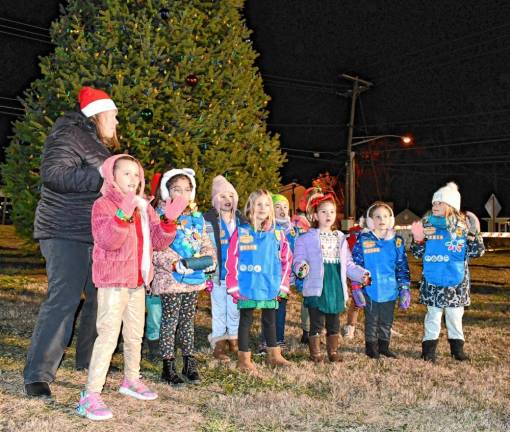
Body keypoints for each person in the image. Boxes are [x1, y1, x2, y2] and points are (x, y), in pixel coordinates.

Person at [76, 154, 187, 420]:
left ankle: (131, 379)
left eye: (137, 174)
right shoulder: (103, 205)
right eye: (126, 173)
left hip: (138, 280)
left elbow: (158, 242)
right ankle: (90, 394)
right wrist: (122, 214)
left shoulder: (144, 207)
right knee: (108, 336)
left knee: (135, 333)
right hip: (114, 281)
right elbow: (108, 240)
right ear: (111, 177)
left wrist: (168, 222)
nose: (133, 179)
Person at [24, 87, 119, 398]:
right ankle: (38, 373)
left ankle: (90, 358)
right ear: (99, 114)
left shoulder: (93, 141)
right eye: (114, 116)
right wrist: (102, 181)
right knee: (63, 299)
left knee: (98, 298)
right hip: (64, 229)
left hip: (94, 233)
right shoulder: (69, 134)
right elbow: (53, 174)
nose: (117, 122)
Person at [151, 169, 216, 386]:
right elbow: (157, 246)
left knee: (187, 321)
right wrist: (174, 263)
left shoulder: (195, 218)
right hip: (171, 278)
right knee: (170, 321)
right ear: (166, 191)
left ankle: (189, 362)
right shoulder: (160, 216)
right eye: (176, 189)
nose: (182, 194)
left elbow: (205, 242)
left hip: (193, 277)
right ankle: (167, 365)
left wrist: (209, 259)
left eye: (187, 190)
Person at [411, 182, 484, 362]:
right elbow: (418, 253)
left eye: (439, 203)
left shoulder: (463, 227)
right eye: (434, 203)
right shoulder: (426, 225)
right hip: (433, 282)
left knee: (454, 316)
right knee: (433, 316)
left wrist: (474, 234)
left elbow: (476, 252)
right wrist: (418, 240)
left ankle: (457, 350)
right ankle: (428, 351)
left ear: (451, 206)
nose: (434, 206)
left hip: (456, 284)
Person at [293, 189, 369, 363]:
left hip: (335, 283)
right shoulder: (305, 238)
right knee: (317, 321)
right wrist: (301, 267)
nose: (328, 215)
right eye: (323, 211)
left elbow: (348, 264)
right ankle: (316, 353)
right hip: (317, 283)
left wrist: (361, 274)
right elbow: (298, 259)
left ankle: (333, 351)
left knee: (334, 320)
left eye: (332, 211)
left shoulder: (340, 237)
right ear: (315, 215)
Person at [225, 189, 292, 373]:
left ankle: (274, 355)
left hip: (270, 285)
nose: (263, 208)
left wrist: (283, 284)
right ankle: (244, 359)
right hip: (247, 285)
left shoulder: (278, 233)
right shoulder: (242, 231)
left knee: (270, 320)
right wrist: (233, 284)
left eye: (267, 204)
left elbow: (286, 259)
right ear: (250, 207)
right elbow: (232, 259)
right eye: (259, 204)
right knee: (245, 320)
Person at [351, 202, 411, 359]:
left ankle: (384, 346)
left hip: (390, 288)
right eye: (377, 216)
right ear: (371, 221)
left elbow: (402, 266)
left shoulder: (397, 241)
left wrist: (404, 287)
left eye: (385, 216)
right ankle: (371, 347)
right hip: (370, 288)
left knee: (386, 320)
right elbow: (356, 265)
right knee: (372, 319)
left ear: (390, 219)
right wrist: (356, 287)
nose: (381, 219)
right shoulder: (363, 240)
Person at [203, 175, 245, 362]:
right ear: (214, 201)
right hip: (217, 273)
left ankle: (234, 338)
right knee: (219, 308)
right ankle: (219, 341)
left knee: (235, 307)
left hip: (237, 274)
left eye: (230, 196)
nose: (227, 200)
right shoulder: (207, 220)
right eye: (222, 197)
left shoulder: (242, 221)